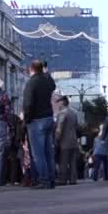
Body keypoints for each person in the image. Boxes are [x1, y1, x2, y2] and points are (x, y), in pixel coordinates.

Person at [23, 60, 57, 189]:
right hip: (48, 118)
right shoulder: (47, 81)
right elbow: (53, 86)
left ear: (30, 69)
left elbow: (28, 103)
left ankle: (44, 180)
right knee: (48, 152)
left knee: (38, 153)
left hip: (36, 120)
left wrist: (27, 119)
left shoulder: (31, 83)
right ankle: (51, 178)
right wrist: (46, 73)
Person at [55, 96, 79, 185]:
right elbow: (76, 126)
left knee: (63, 161)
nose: (57, 104)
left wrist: (57, 139)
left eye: (58, 102)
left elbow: (59, 127)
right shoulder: (73, 113)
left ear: (62, 102)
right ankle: (73, 180)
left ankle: (63, 180)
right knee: (73, 162)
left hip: (64, 141)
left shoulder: (62, 113)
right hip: (74, 140)